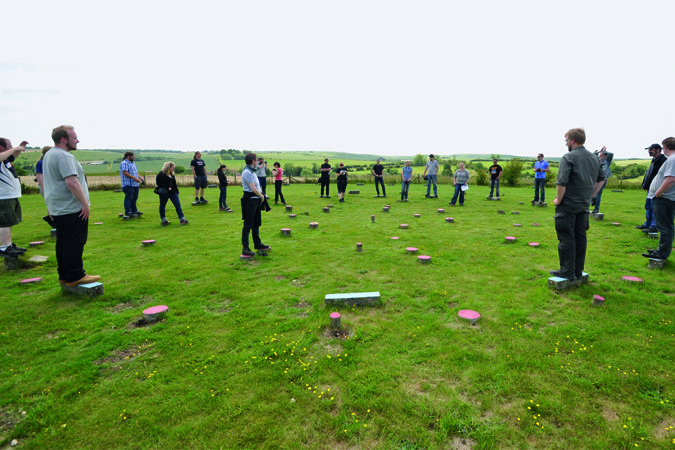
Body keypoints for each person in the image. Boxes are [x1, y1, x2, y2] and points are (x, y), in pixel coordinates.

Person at [43, 125, 101, 287]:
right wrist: (85, 204)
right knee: (75, 241)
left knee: (62, 241)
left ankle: (64, 275)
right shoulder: (64, 157)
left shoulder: (49, 154)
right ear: (63, 139)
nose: (77, 141)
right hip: (71, 207)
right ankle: (75, 275)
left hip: (58, 207)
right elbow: (72, 181)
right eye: (74, 138)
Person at [550, 128, 605, 280]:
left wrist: (558, 200)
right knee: (580, 237)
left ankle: (567, 271)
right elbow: (602, 179)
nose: (566, 142)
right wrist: (590, 194)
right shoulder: (594, 158)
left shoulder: (568, 157)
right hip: (584, 204)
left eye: (566, 140)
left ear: (573, 140)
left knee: (566, 237)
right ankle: (577, 271)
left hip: (567, 204)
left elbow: (561, 182)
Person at [642, 137, 675, 260]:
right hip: (665, 198)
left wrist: (659, 192)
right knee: (665, 227)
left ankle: (662, 253)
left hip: (665, 199)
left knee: (665, 227)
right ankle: (661, 250)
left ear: (665, 147)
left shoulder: (672, 159)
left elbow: (671, 179)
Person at [0, 137, 28, 256]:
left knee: (9, 221)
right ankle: (4, 247)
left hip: (10, 195)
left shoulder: (5, 160)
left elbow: (12, 157)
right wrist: (16, 148)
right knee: (5, 222)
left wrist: (19, 149)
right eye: (9, 146)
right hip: (4, 196)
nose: (11, 148)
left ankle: (8, 244)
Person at [241, 153, 270, 256]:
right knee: (248, 225)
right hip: (250, 201)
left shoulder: (252, 171)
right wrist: (262, 196)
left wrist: (260, 196)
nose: (257, 161)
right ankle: (245, 248)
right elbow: (253, 188)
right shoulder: (247, 172)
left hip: (256, 200)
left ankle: (258, 244)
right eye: (256, 160)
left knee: (256, 223)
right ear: (253, 161)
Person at [637, 143, 666, 233]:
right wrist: (646, 185)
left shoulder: (663, 160)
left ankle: (654, 226)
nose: (649, 151)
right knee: (648, 206)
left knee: (655, 208)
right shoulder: (654, 160)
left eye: (651, 149)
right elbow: (650, 174)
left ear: (658, 150)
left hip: (658, 188)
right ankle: (647, 224)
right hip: (650, 188)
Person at [156, 161, 189, 225]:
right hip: (164, 192)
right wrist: (166, 187)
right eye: (173, 167)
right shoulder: (161, 174)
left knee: (177, 205)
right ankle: (163, 220)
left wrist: (177, 191)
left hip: (173, 192)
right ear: (168, 167)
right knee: (162, 205)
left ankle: (182, 219)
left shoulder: (171, 174)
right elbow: (158, 183)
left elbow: (174, 183)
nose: (174, 169)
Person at [120, 151, 144, 218]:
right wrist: (135, 178)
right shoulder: (124, 163)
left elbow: (136, 173)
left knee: (134, 198)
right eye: (133, 156)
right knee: (129, 198)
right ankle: (128, 211)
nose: (134, 157)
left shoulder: (133, 164)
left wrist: (140, 177)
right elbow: (125, 172)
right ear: (128, 156)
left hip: (135, 184)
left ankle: (134, 210)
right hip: (128, 184)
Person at [36, 146, 55, 227]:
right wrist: (44, 189)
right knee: (51, 204)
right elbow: (40, 177)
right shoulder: (41, 163)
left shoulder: (50, 162)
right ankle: (53, 222)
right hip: (46, 187)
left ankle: (52, 219)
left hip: (52, 186)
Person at [590, 147, 613, 213]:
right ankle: (593, 199)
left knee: (598, 194)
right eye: (600, 155)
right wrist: (599, 151)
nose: (601, 156)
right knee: (591, 192)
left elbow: (611, 154)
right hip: (595, 179)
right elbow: (593, 155)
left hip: (603, 180)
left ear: (605, 156)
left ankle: (596, 208)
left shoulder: (607, 161)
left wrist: (604, 151)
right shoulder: (597, 160)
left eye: (602, 155)